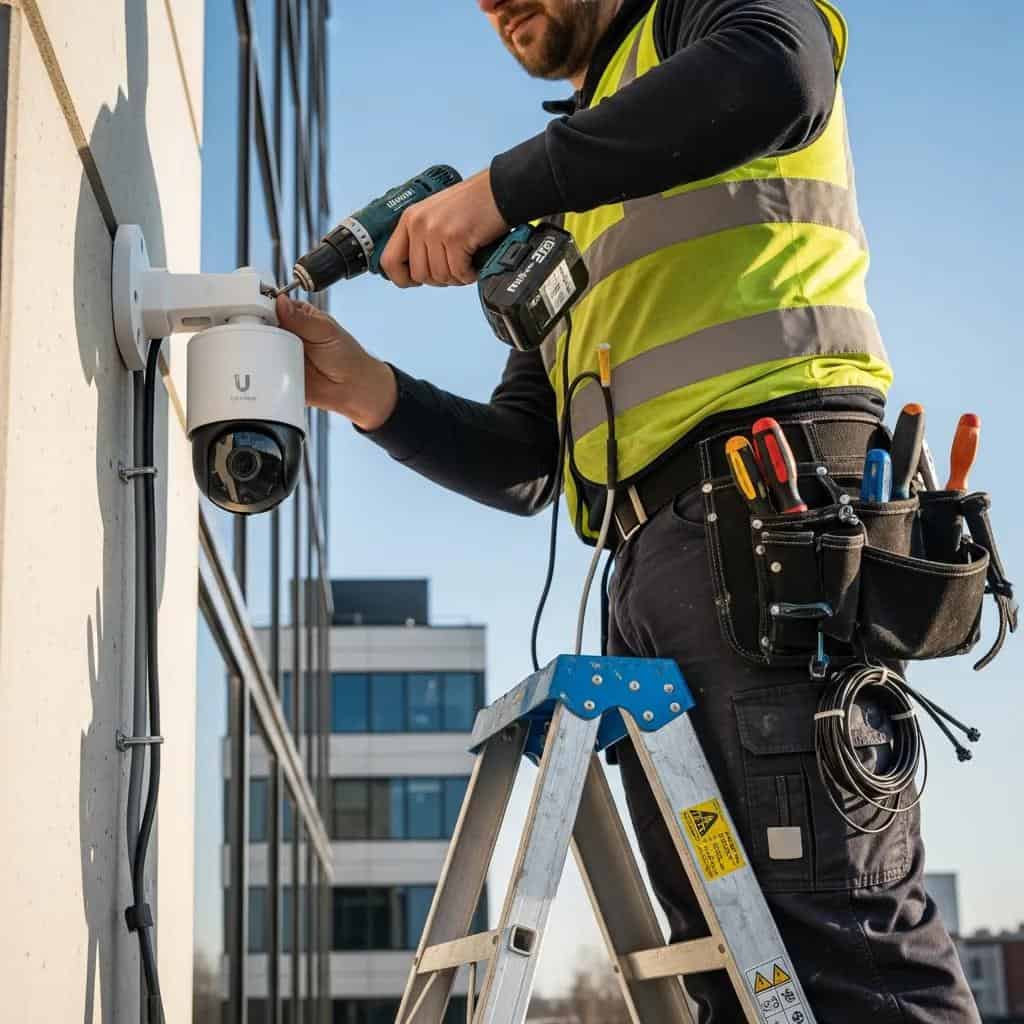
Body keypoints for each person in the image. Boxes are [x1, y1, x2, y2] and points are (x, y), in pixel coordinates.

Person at [277, 1, 979, 1020]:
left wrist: (496, 190)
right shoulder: (576, 192)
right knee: (732, 969)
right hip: (658, 564)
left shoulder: (702, 27)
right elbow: (529, 461)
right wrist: (369, 392)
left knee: (842, 946)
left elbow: (778, 72)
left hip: (777, 521)